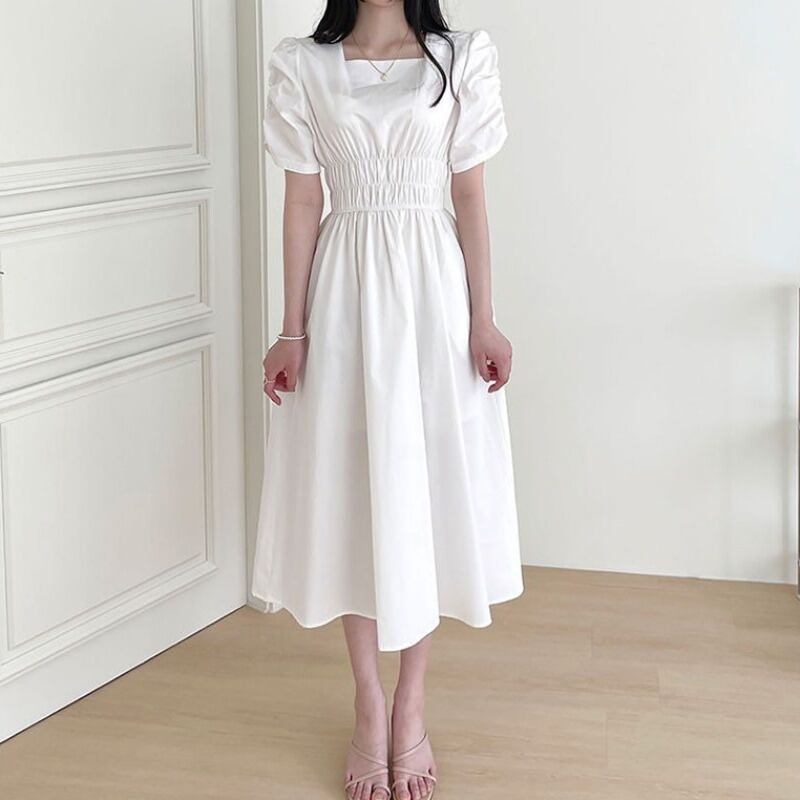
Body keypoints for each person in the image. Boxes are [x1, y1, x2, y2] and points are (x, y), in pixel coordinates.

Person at [251, 2, 524, 798]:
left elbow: (469, 195)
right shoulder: (302, 64)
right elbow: (303, 202)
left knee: (422, 492)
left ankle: (412, 705)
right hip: (345, 296)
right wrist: (292, 331)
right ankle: (368, 704)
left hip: (433, 297)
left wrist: (483, 318)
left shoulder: (461, 56)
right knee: (358, 492)